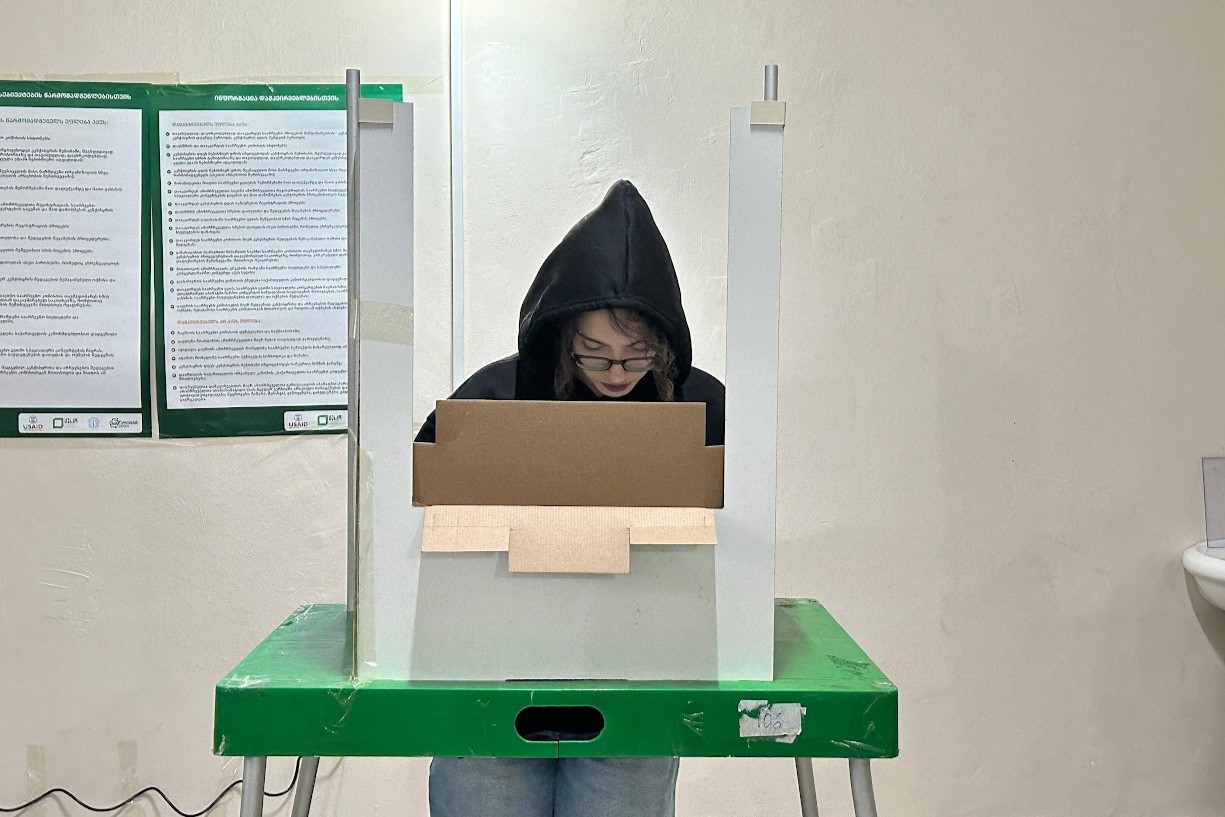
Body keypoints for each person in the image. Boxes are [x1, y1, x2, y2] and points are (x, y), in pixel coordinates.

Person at [418, 179, 725, 817]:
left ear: (665, 345)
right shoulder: (492, 401)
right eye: (595, 355)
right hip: (496, 687)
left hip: (638, 684)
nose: (617, 374)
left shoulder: (701, 406)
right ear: (562, 337)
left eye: (637, 356)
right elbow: (421, 517)